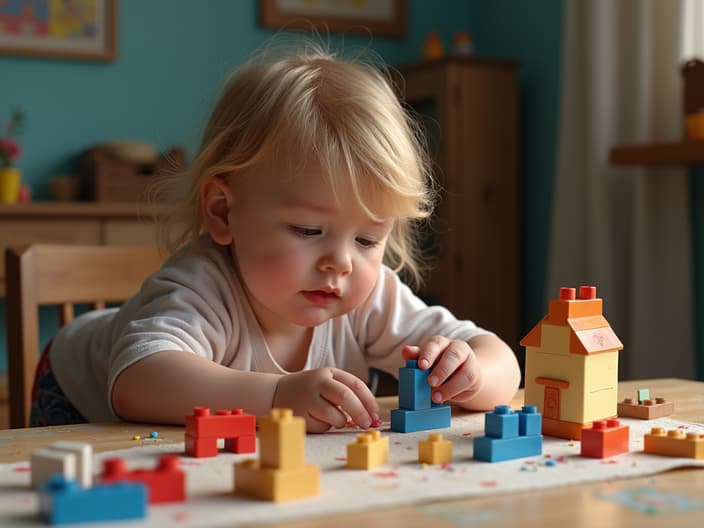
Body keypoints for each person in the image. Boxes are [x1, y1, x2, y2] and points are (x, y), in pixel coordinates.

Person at [31, 40, 520, 432]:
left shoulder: (369, 296)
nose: (341, 263)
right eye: (309, 230)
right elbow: (138, 381)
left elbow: (501, 361)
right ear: (223, 211)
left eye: (368, 240)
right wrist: (275, 397)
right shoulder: (200, 283)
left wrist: (469, 373)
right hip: (74, 387)